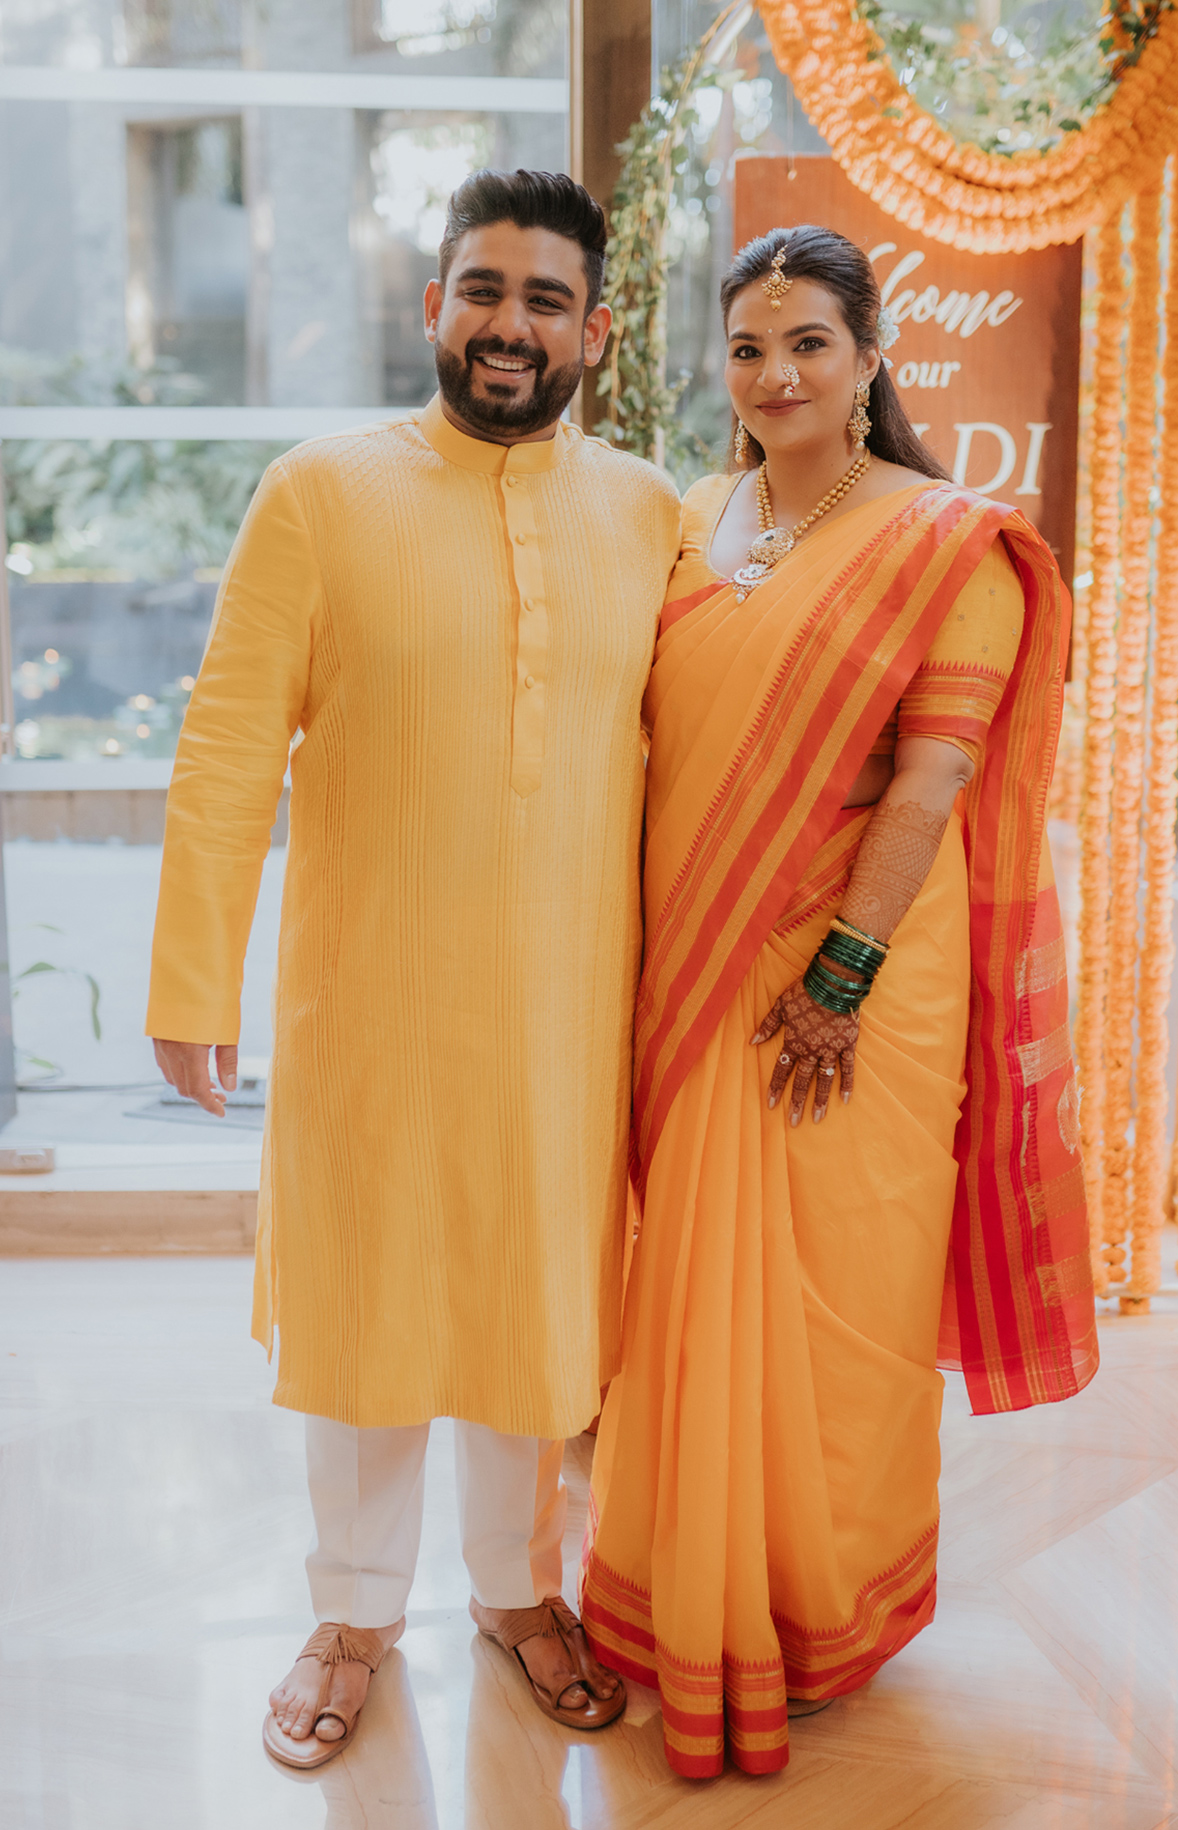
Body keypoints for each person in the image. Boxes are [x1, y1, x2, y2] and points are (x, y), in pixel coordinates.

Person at [146, 168, 681, 1767]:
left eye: (543, 299)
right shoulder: (321, 492)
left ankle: (519, 1591)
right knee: (372, 1311)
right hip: (370, 1001)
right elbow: (227, 747)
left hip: (567, 1012)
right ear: (436, 304)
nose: (509, 325)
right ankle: (353, 1611)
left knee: (534, 1306)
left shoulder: (651, 513)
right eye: (482, 290)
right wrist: (192, 981)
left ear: (595, 329)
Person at [580, 224, 1099, 1778]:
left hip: (850, 988)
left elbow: (930, 782)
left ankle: (815, 1614)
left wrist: (839, 977)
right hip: (695, 964)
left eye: (809, 341)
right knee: (689, 1287)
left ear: (872, 357)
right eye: (748, 346)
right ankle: (680, 1593)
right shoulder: (694, 519)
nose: (776, 373)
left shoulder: (948, 541)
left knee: (837, 1303)